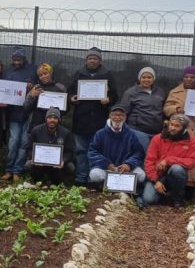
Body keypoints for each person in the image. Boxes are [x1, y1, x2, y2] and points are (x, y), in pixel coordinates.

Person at [67, 47, 118, 184]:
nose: (92, 61)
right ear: (86, 60)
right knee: (80, 150)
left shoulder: (107, 74)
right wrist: (72, 99)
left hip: (99, 120)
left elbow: (114, 95)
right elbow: (69, 92)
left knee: (96, 151)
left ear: (100, 61)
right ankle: (80, 178)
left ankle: (93, 179)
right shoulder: (79, 74)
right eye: (90, 58)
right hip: (81, 120)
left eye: (95, 58)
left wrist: (108, 100)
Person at [163, 66, 195, 193]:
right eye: (186, 76)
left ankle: (190, 189)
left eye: (192, 77)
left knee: (193, 159)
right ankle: (173, 188)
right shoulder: (174, 92)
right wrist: (177, 109)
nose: (188, 79)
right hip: (176, 132)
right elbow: (166, 109)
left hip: (194, 132)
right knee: (176, 158)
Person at [141, 114, 195, 208]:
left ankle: (177, 200)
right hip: (158, 175)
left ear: (184, 128)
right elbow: (149, 161)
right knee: (148, 199)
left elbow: (192, 162)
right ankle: (164, 196)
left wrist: (168, 160)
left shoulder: (192, 141)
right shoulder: (158, 138)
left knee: (177, 169)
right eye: (171, 124)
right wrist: (156, 181)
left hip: (176, 175)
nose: (172, 128)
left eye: (177, 126)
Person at [87, 104, 146, 193]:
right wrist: (106, 164)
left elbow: (139, 153)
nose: (117, 117)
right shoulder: (100, 134)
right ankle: (107, 187)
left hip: (126, 170)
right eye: (115, 115)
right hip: (106, 169)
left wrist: (128, 164)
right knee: (94, 175)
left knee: (141, 175)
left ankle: (125, 188)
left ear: (125, 117)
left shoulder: (131, 134)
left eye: (120, 115)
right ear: (110, 116)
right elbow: (92, 152)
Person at [1, 48, 36, 180]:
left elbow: (41, 83)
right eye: (15, 59)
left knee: (24, 144)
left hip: (28, 114)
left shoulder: (33, 70)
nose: (17, 62)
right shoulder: (8, 72)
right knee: (13, 142)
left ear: (24, 59)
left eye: (19, 59)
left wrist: (33, 86)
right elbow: (3, 90)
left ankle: (17, 171)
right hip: (14, 114)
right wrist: (3, 101)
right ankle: (8, 169)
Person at [22, 107, 74, 185]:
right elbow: (29, 148)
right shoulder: (36, 130)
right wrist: (34, 158)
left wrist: (63, 160)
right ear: (46, 119)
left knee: (70, 167)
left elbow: (69, 152)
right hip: (40, 162)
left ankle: (58, 182)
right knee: (28, 165)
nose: (52, 120)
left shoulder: (66, 133)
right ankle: (37, 180)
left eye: (55, 118)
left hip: (57, 164)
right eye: (49, 117)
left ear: (59, 120)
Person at [120, 66, 166, 138]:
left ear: (153, 79)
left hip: (157, 133)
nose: (146, 80)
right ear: (139, 78)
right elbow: (123, 112)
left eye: (149, 77)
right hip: (137, 131)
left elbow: (163, 110)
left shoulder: (160, 92)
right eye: (143, 77)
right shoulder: (130, 92)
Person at [23, 63, 67, 132]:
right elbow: (26, 107)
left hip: (54, 126)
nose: (43, 76)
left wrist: (55, 110)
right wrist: (31, 96)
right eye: (40, 75)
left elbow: (66, 109)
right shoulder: (36, 88)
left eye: (45, 73)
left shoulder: (61, 88)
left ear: (51, 73)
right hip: (36, 125)